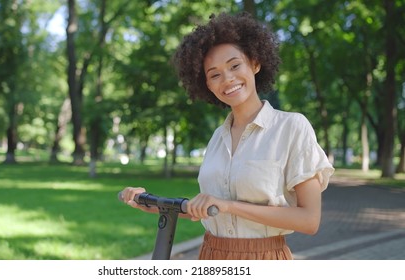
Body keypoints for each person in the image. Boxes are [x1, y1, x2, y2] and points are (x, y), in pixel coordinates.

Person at [120, 12, 334, 260]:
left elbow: (309, 220)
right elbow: (205, 209)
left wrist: (229, 206)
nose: (228, 79)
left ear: (255, 63)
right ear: (207, 85)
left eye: (234, 66)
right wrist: (147, 202)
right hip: (210, 256)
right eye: (214, 74)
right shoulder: (217, 138)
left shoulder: (292, 127)